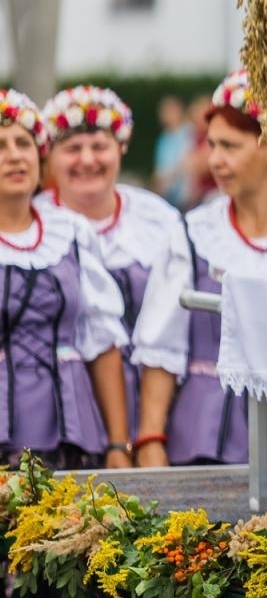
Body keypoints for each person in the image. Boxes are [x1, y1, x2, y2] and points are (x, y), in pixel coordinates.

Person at [138, 70, 267, 464]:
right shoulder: (192, 234)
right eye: (211, 144)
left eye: (229, 146)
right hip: (202, 438)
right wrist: (150, 441)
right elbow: (160, 350)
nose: (214, 160)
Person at [35, 86, 192, 468]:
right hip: (68, 409)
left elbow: (175, 326)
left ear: (121, 146)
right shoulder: (35, 224)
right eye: (72, 148)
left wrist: (150, 434)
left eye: (99, 145)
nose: (87, 159)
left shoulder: (158, 220)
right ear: (50, 157)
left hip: (158, 404)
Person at [0, 88, 131, 470]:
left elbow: (101, 341)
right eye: (1, 145)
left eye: (24, 143)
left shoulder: (70, 233)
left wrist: (118, 445)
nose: (14, 155)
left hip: (70, 431)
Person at [150, 95, 192, 208]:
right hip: (167, 194)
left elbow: (187, 163)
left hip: (185, 195)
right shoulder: (163, 139)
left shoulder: (189, 133)